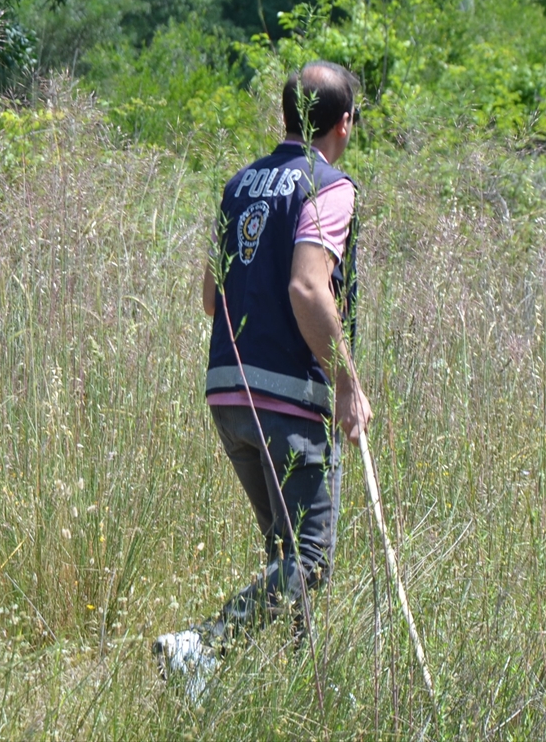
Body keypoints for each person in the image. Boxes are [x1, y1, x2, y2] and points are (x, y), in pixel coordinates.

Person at [154, 61, 373, 686]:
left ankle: (300, 685)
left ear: (285, 117)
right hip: (286, 399)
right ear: (345, 124)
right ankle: (203, 643)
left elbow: (209, 296)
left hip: (227, 391)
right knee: (310, 556)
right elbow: (309, 287)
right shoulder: (328, 186)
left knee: (284, 552)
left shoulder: (238, 184)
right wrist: (349, 385)